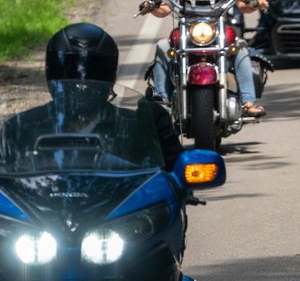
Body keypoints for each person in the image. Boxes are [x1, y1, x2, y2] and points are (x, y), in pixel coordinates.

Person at [1, 23, 183, 172]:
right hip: (42, 215)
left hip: (126, 214)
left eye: (93, 75)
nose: (81, 85)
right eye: (70, 75)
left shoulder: (141, 124)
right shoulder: (22, 127)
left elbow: (177, 173)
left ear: (109, 77)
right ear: (53, 76)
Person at [141, 0, 269, 118]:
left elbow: (241, 2)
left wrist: (254, 2)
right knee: (162, 46)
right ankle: (162, 99)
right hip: (189, 30)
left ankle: (248, 102)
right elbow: (166, 7)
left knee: (241, 47)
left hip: (217, 29)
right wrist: (152, 6)